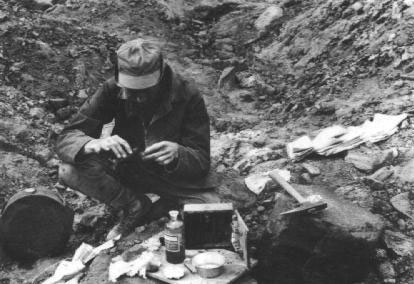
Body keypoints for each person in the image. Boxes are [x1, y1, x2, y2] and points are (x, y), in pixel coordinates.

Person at [56, 38, 220, 240]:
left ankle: (165, 205)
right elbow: (66, 137)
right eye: (132, 91)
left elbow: (201, 159)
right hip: (127, 169)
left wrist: (178, 153)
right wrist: (93, 143)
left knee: (211, 211)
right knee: (68, 170)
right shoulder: (111, 89)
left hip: (171, 178)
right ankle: (134, 205)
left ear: (160, 76)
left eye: (146, 90)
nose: (139, 98)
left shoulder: (187, 93)